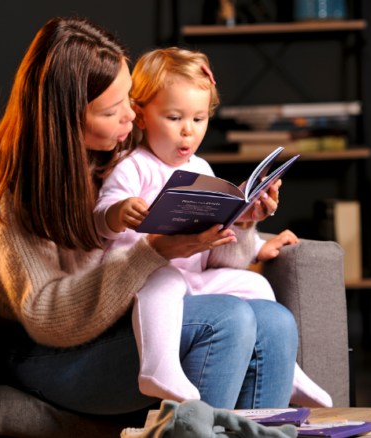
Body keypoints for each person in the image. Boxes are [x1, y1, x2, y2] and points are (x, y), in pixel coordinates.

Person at [0, 16, 298, 416]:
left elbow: (203, 258)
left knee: (274, 321)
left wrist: (239, 220)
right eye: (112, 110)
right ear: (67, 118)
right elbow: (46, 316)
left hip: (127, 319)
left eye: (129, 97)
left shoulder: (125, 149)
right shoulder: (9, 183)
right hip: (41, 350)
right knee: (224, 319)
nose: (132, 116)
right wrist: (152, 252)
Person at [94, 47, 332, 407]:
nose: (188, 132)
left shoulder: (201, 169)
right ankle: (158, 367)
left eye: (199, 119)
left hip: (194, 281)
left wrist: (249, 227)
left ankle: (288, 370)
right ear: (141, 116)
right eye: (174, 118)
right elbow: (99, 219)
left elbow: (215, 228)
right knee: (167, 279)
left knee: (255, 283)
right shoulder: (132, 166)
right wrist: (116, 213)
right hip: (142, 281)